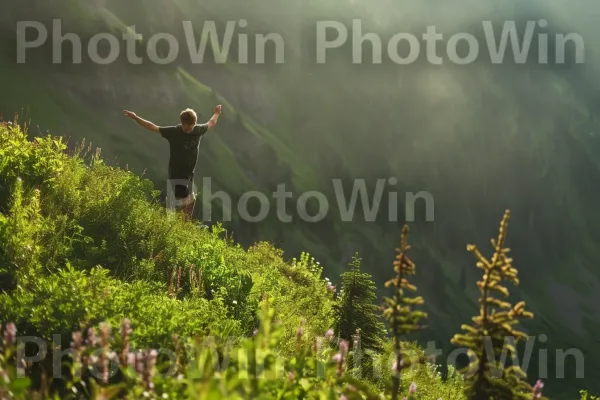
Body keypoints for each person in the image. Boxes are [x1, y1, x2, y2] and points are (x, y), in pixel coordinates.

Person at [123, 105, 222, 219]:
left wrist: (217, 113)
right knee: (187, 201)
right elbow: (152, 127)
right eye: (187, 128)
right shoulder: (174, 132)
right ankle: (179, 225)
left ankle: (177, 223)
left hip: (189, 174)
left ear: (195, 123)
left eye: (191, 127)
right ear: (182, 123)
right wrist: (135, 118)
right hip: (177, 174)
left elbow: (211, 123)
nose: (189, 130)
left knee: (185, 202)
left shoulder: (197, 130)